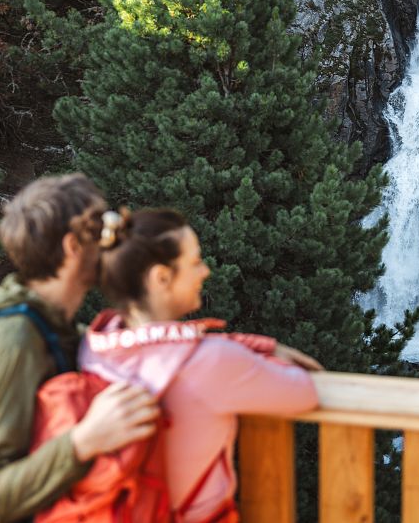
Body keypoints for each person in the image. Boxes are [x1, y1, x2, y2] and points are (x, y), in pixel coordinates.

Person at [77, 207, 321, 522]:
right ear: (161, 278)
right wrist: (248, 353)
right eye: (194, 262)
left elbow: (158, 344)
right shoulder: (214, 362)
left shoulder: (90, 348)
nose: (205, 271)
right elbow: (304, 392)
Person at [0, 174, 160, 523]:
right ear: (73, 246)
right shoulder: (12, 342)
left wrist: (256, 350)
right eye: (104, 229)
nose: (116, 243)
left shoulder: (56, 331)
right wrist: (84, 441)